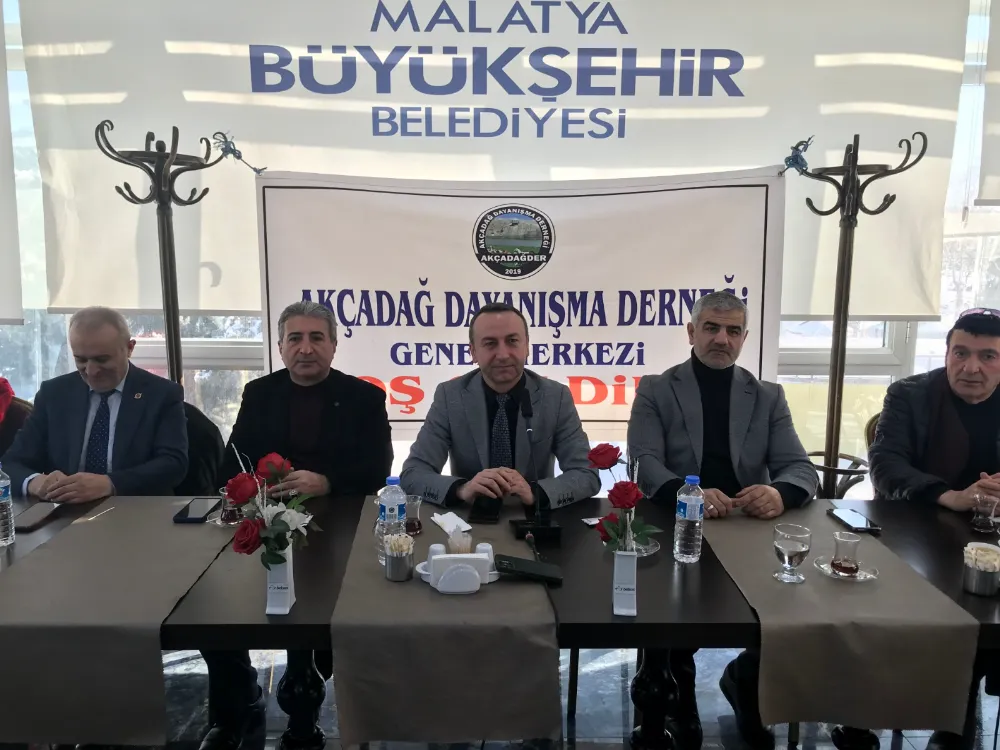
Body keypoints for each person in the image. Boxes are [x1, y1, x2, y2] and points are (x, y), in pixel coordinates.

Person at [628, 290, 818, 750]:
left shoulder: (768, 396)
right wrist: (687, 492)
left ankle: (744, 681)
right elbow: (643, 463)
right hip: (676, 526)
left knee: (790, 616)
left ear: (744, 338)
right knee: (672, 620)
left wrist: (779, 492)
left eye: (733, 331)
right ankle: (678, 699)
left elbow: (800, 468)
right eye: (711, 328)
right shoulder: (656, 388)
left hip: (747, 528)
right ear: (691, 332)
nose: (721, 339)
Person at [200, 300, 392, 750]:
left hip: (340, 528)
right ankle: (237, 708)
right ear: (281, 347)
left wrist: (327, 480)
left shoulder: (364, 397)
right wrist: (259, 483)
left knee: (335, 614)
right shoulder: (260, 393)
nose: (306, 348)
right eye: (295, 339)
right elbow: (233, 463)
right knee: (217, 607)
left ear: (334, 345)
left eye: (316, 338)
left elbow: (378, 469)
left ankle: (351, 712)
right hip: (269, 522)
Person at [869, 308, 1000, 750]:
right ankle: (952, 714)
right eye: (960, 353)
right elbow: (886, 466)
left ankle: (962, 700)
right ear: (946, 354)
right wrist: (951, 495)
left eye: (988, 356)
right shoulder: (910, 395)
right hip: (921, 531)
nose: (971, 367)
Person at [401, 302, 599, 511]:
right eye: (490, 343)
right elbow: (412, 474)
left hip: (534, 517)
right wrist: (462, 489)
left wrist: (536, 493)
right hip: (469, 518)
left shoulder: (556, 397)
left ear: (527, 346)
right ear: (473, 352)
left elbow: (587, 474)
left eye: (512, 341)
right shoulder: (450, 396)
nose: (503, 354)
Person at [1, 306, 188, 500]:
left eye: (102, 359)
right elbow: (11, 464)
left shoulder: (161, 394)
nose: (91, 371)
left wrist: (110, 483)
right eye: (81, 360)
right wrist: (35, 482)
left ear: (130, 348)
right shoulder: (54, 394)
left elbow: (174, 464)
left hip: (135, 507)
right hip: (65, 508)